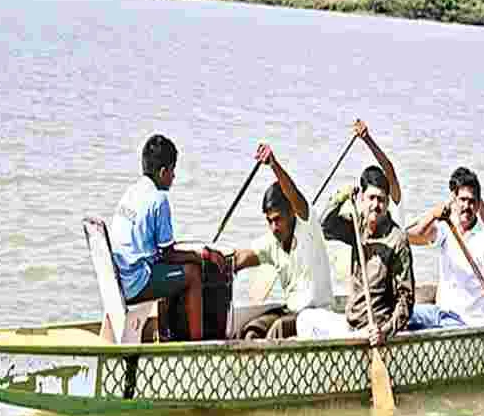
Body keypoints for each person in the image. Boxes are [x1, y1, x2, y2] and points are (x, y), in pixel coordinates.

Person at [111, 134, 225, 341]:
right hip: (135, 282)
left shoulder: (131, 191)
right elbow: (169, 254)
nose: (174, 177)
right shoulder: (159, 198)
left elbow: (162, 251)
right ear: (163, 172)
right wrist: (203, 256)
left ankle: (164, 334)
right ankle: (198, 345)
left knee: (168, 266)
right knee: (192, 273)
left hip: (118, 277)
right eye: (173, 170)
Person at [232, 143, 335, 328]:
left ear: (291, 212)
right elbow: (242, 257)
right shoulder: (272, 241)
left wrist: (274, 164)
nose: (273, 227)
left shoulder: (307, 225)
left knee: (278, 329)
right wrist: (212, 261)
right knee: (251, 329)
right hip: (292, 313)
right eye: (269, 221)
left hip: (316, 317)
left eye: (278, 219)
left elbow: (293, 193)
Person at [309, 166, 415, 344]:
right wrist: (341, 197)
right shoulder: (357, 228)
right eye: (371, 198)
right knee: (305, 318)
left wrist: (385, 331)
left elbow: (406, 298)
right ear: (361, 199)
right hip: (351, 323)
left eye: (381, 200)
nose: (376, 205)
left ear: (388, 202)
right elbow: (325, 227)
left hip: (374, 328)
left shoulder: (397, 240)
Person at [406, 167, 484, 328]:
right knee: (401, 316)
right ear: (454, 200)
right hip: (439, 313)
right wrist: (433, 215)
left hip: (466, 321)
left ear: (478, 204)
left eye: (472, 201)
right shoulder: (446, 228)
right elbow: (410, 237)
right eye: (463, 200)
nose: (466, 206)